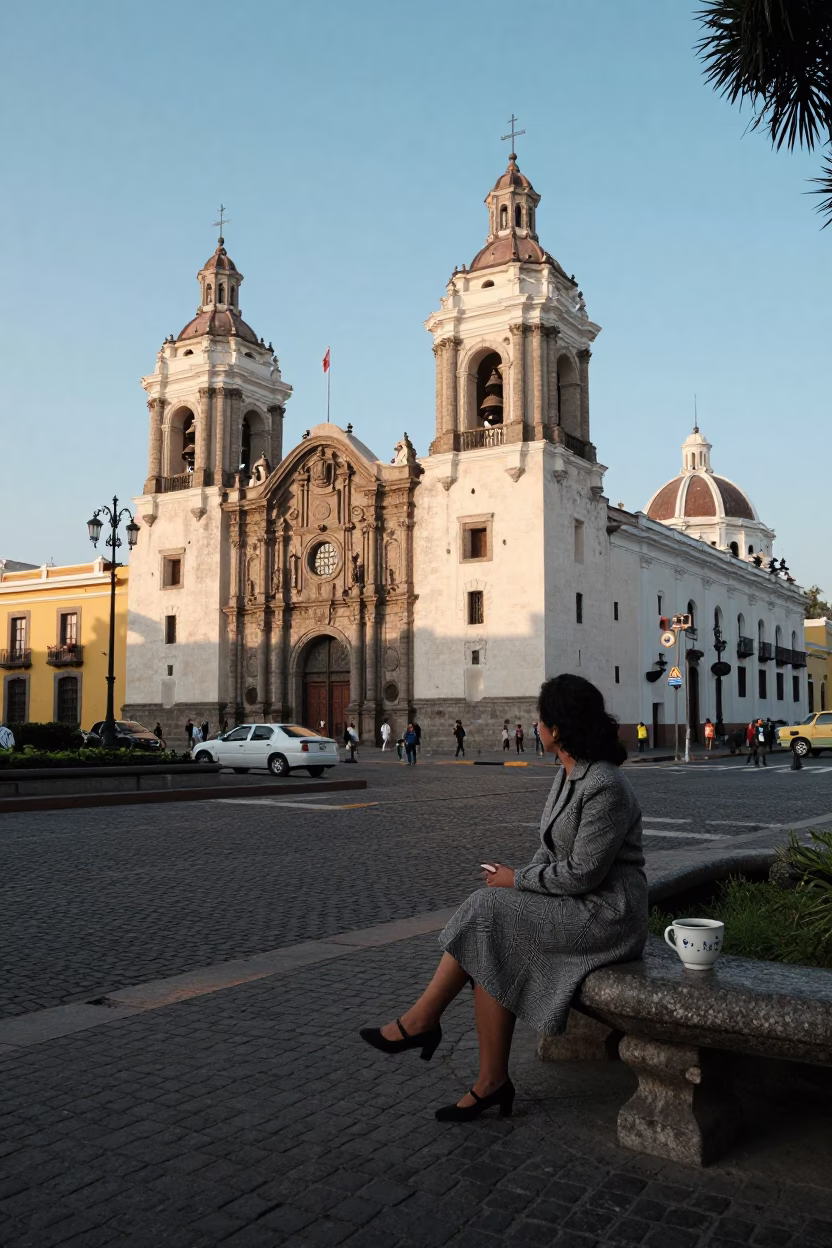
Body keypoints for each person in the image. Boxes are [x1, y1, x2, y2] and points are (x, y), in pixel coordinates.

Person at [360, 673, 646, 1121]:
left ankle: (423, 1023)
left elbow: (584, 874)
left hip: (608, 915)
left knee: (489, 911)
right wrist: (518, 876)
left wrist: (518, 881)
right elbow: (551, 850)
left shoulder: (604, 785)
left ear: (560, 727)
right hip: (579, 904)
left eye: (541, 718)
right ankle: (488, 1079)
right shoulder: (569, 774)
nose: (536, 725)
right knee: (489, 930)